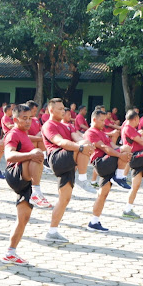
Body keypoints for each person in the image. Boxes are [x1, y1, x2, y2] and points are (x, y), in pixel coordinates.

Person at [42, 98, 96, 242]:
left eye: (63, 108)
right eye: (60, 109)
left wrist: (89, 144)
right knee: (82, 146)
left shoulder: (67, 125)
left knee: (64, 199)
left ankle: (52, 231)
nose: (63, 111)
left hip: (68, 160)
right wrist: (81, 147)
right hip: (57, 158)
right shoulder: (49, 125)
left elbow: (78, 138)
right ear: (51, 110)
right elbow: (60, 142)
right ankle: (83, 179)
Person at [2, 105, 50, 265]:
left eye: (30, 118)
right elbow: (9, 155)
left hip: (26, 181)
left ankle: (10, 252)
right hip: (15, 174)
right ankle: (37, 191)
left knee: (23, 218)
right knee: (35, 156)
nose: (28, 121)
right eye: (24, 118)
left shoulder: (24, 133)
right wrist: (30, 154)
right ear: (15, 120)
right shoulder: (13, 134)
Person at [83, 110, 132, 232]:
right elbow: (105, 148)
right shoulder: (91, 133)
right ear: (94, 119)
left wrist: (122, 151)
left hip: (109, 160)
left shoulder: (103, 132)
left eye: (104, 120)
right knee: (125, 150)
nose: (104, 123)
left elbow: (112, 145)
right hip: (101, 163)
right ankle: (119, 176)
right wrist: (121, 155)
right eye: (101, 120)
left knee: (102, 195)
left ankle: (94, 222)